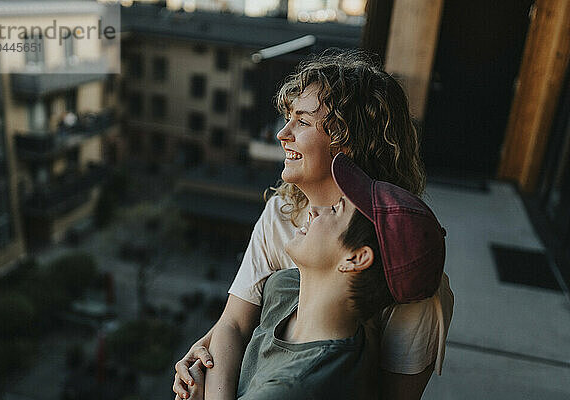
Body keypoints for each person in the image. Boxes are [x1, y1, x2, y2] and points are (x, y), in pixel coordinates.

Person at [173, 49, 454, 400]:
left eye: (302, 122)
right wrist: (208, 365)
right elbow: (233, 324)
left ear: (349, 141)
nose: (282, 134)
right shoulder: (281, 213)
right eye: (288, 118)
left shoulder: (405, 261)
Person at [184, 153, 447, 400]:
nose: (313, 210)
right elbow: (230, 326)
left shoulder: (297, 387)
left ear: (355, 258)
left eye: (334, 210)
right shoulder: (285, 286)